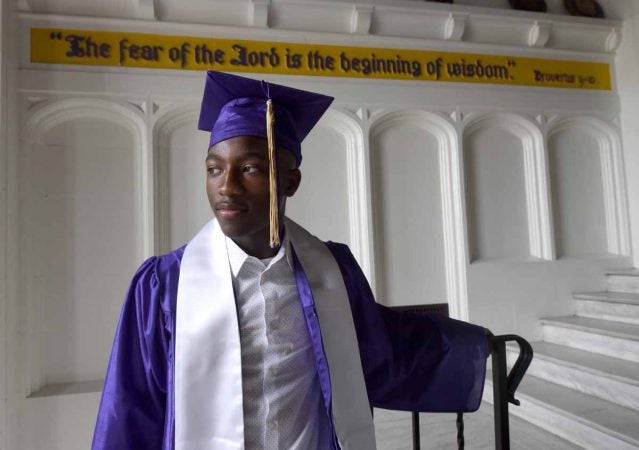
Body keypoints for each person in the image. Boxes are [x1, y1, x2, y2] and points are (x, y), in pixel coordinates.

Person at [92, 70, 489, 450]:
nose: (226, 187)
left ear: (291, 182)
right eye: (214, 169)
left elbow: (377, 349)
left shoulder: (332, 271)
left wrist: (471, 345)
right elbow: (130, 410)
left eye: (249, 168)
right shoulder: (164, 286)